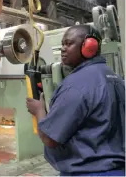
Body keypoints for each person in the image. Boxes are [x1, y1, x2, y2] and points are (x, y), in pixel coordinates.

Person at [26, 24, 125, 176]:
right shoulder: (117, 80)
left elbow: (50, 138)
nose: (63, 49)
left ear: (89, 46)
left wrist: (39, 110)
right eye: (62, 44)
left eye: (69, 43)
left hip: (87, 171)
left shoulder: (76, 85)